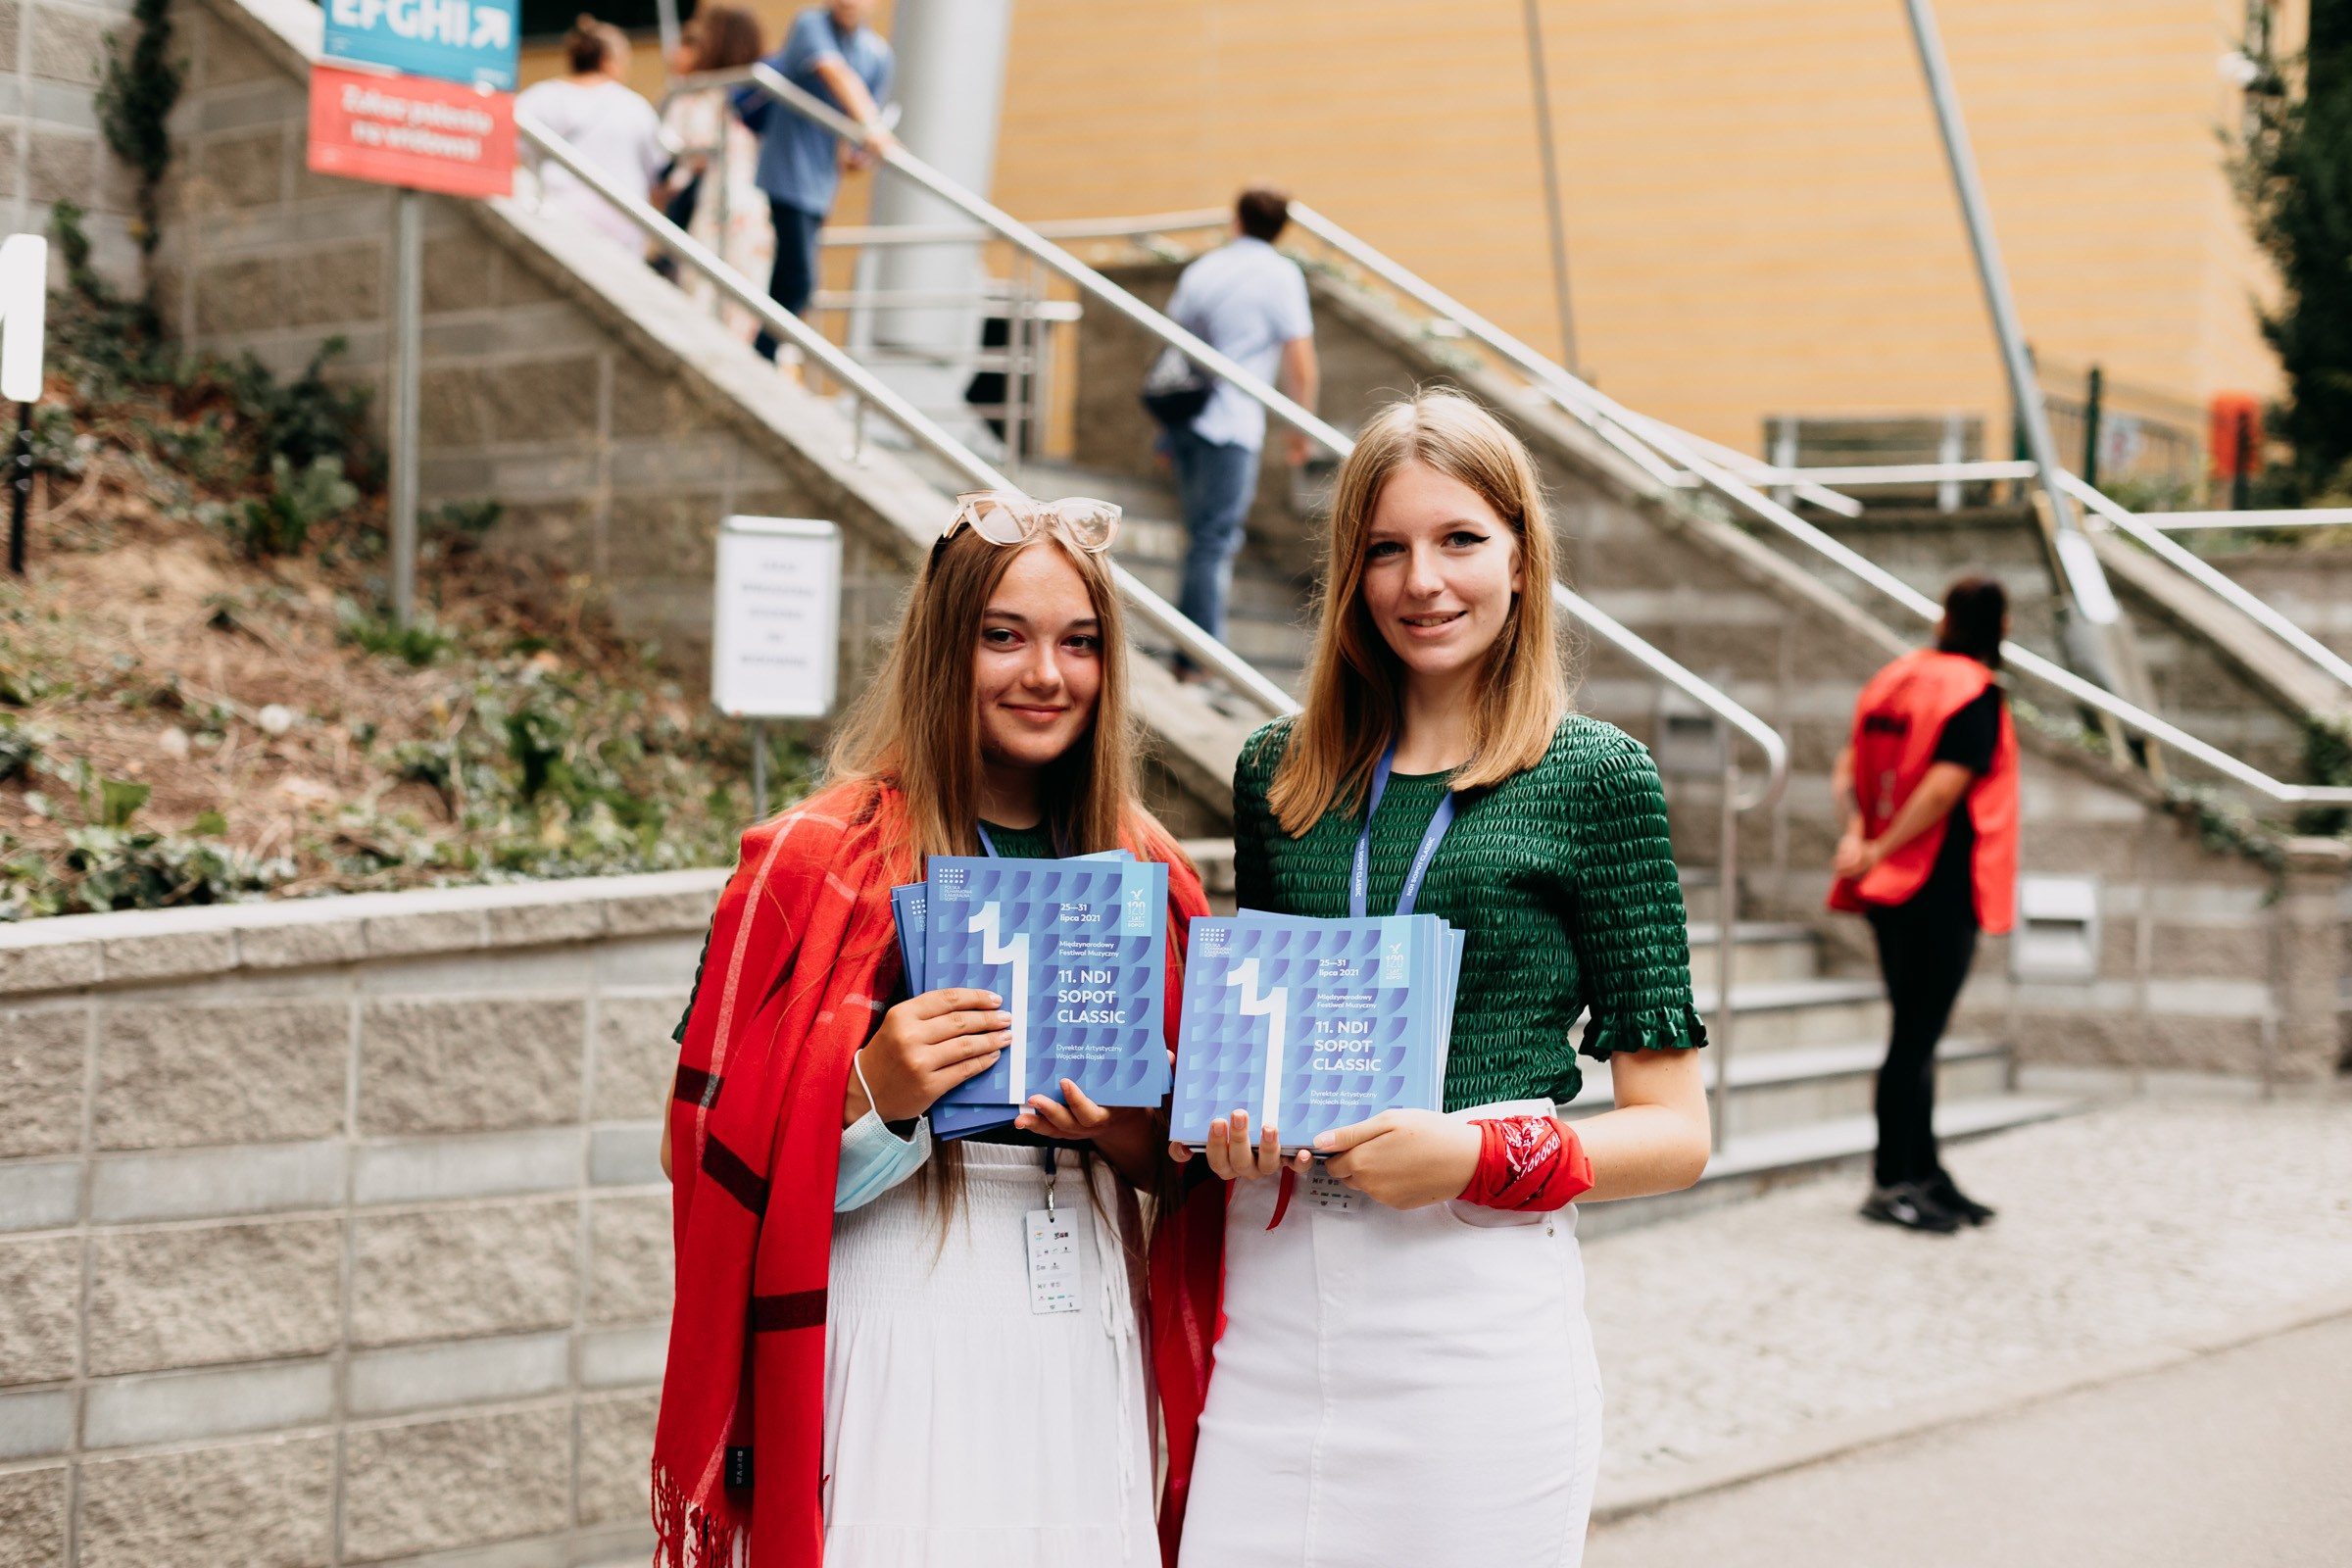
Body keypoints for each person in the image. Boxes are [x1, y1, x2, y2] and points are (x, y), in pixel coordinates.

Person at [1154, 391, 1712, 1567]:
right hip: (1278, 1297)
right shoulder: (1279, 772)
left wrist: (1471, 1156)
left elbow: (1676, 1133)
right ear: (1352, 574)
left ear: (1520, 553)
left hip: (1474, 1299)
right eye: (1387, 549)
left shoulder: (1596, 779)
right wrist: (1232, 1125)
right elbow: (1269, 1025)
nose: (1424, 581)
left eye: (1460, 539)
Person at [652, 491, 1210, 1568]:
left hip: (1088, 1296)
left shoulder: (1147, 870)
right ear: (944, 644)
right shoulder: (816, 858)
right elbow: (697, 1147)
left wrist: (1126, 1129)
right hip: (900, 1297)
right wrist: (871, 1090)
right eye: (1004, 635)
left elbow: (1183, 1174)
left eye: (1079, 642)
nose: (1045, 674)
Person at [1830, 576, 2017, 1234]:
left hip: (1888, 892)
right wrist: (1881, 848)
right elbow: (1942, 792)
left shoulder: (1895, 678)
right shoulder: (1974, 692)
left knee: (1916, 1033)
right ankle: (1891, 1180)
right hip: (1939, 887)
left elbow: (1846, 765)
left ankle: (1926, 1172)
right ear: (2002, 625)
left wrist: (1860, 836)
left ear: (1943, 616)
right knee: (1916, 1038)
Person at [1157, 188, 1319, 668]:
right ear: (1281, 229)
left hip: (1185, 416)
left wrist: (1163, 429)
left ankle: (1189, 654)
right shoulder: (1280, 274)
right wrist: (1300, 425)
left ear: (1237, 220)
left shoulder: (1204, 268)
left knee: (1200, 537)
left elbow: (1171, 345)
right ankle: (1201, 660)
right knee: (1214, 539)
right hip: (1232, 423)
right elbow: (1301, 359)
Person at [733, 0, 895, 362]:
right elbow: (835, 74)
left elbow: (859, 122)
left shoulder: (877, 54)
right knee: (799, 279)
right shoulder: (811, 25)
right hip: (786, 171)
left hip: (822, 182)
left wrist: (860, 148)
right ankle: (761, 356)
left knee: (788, 278)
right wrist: (871, 127)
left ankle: (762, 355)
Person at [655, 6, 774, 341]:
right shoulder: (758, 98)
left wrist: (667, 184)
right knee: (742, 315)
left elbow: (679, 158)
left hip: (712, 216)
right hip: (752, 216)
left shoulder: (694, 96)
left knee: (701, 310)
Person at [514, 17, 667, 258]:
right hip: (622, 228)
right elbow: (657, 168)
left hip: (558, 218)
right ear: (607, 61)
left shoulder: (539, 98)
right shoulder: (633, 106)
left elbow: (514, 151)